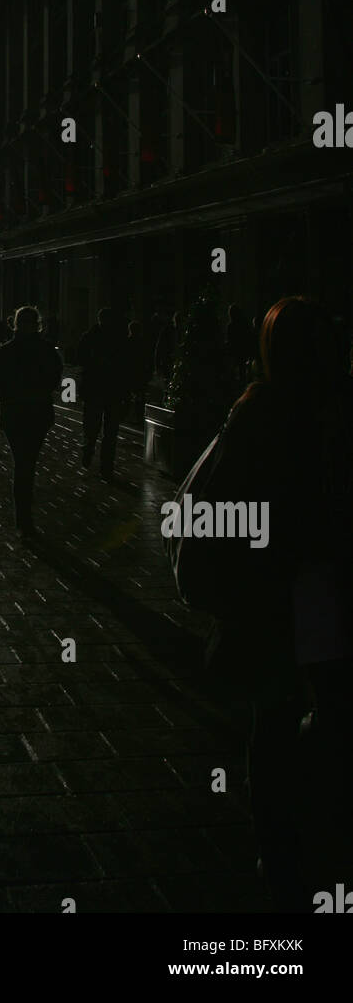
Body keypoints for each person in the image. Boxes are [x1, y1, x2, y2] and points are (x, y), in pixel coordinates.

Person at [175, 297, 353, 911]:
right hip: (330, 594)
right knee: (327, 712)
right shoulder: (339, 407)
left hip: (276, 598)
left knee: (273, 727)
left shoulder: (258, 412)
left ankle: (280, 855)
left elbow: (212, 504)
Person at [0, 305, 62, 538]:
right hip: (32, 413)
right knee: (26, 464)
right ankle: (24, 518)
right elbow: (55, 376)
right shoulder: (44, 349)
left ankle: (23, 518)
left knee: (25, 464)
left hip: (20, 413)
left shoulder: (8, 350)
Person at [77, 307, 129, 482]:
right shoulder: (119, 339)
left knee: (95, 427)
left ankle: (91, 451)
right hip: (110, 390)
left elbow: (80, 359)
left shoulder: (90, 336)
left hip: (96, 389)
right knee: (109, 431)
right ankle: (105, 465)